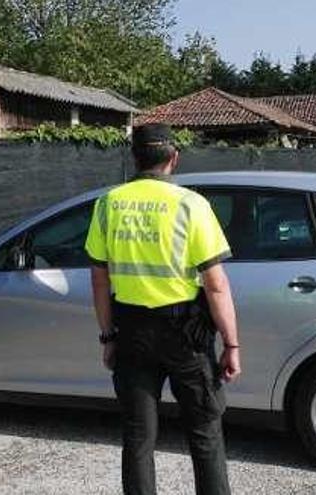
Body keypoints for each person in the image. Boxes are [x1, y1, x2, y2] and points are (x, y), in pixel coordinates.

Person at [84, 123, 241, 495]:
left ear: (134, 158)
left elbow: (99, 281)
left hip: (132, 332)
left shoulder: (108, 204)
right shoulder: (191, 205)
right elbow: (216, 284)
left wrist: (108, 337)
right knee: (205, 434)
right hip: (185, 336)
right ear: (174, 159)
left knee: (138, 437)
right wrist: (232, 344)